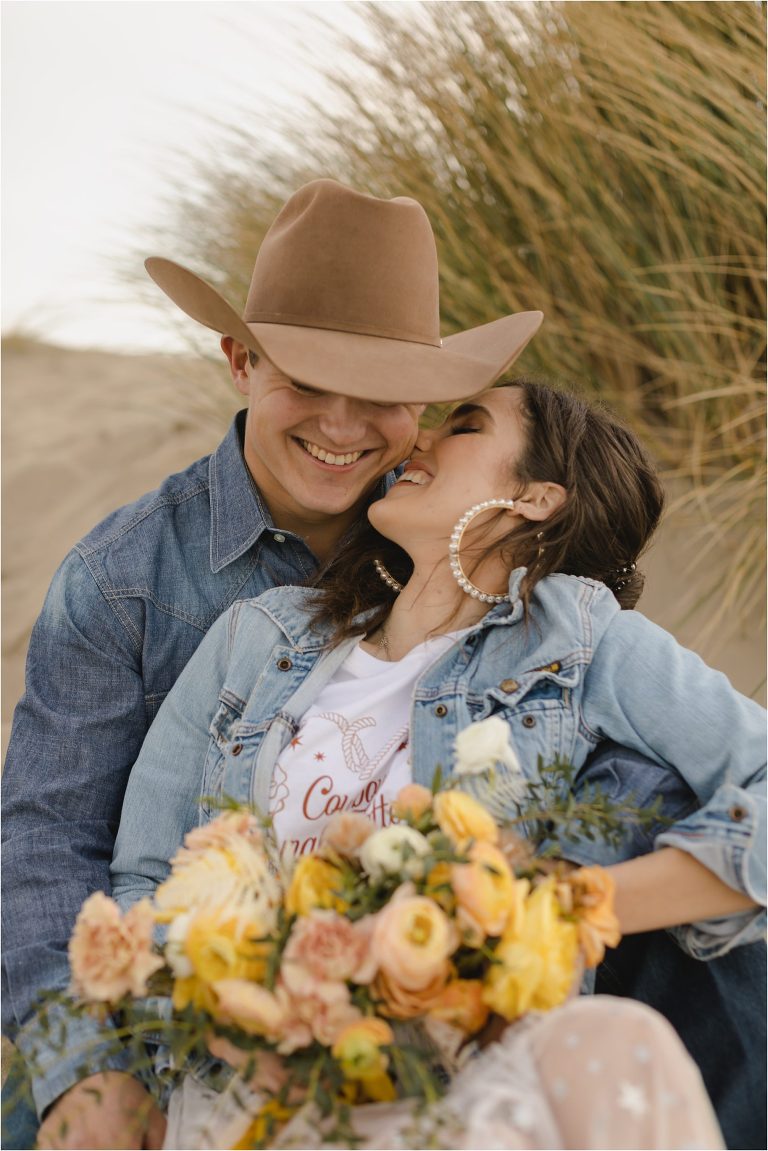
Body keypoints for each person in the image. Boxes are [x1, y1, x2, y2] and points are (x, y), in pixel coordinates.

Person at [1, 178, 543, 1151]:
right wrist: (87, 1067)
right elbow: (45, 845)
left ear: (423, 399)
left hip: (427, 1018)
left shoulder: (470, 554)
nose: (342, 423)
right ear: (239, 359)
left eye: (379, 390)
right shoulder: (120, 580)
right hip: (178, 1017)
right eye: (303, 376)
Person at [105, 377, 765, 1149]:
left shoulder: (579, 638)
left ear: (537, 497)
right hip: (252, 1090)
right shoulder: (259, 636)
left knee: (620, 1042)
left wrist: (565, 906)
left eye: (466, 426)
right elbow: (144, 881)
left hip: (466, 1082)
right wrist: (225, 1025)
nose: (419, 440)